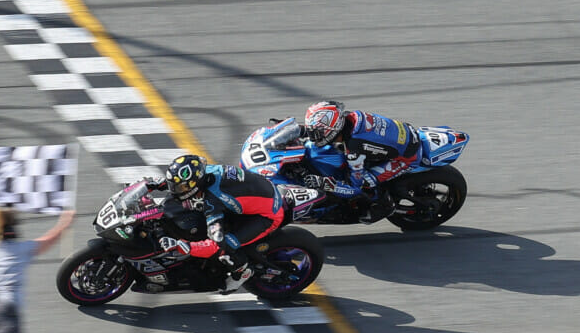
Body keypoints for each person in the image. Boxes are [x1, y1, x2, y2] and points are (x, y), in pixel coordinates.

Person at [150, 154, 288, 293]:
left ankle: (242, 272)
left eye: (180, 188)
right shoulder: (204, 172)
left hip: (267, 215)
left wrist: (186, 247)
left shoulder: (213, 201)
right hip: (257, 195)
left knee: (225, 246)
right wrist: (159, 184)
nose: (175, 191)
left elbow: (215, 246)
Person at [302, 100, 421, 222]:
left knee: (366, 182)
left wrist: (324, 183)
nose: (313, 137)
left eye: (316, 134)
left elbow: (355, 187)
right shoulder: (350, 117)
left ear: (332, 129)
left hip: (407, 158)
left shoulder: (354, 148)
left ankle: (385, 206)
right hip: (404, 134)